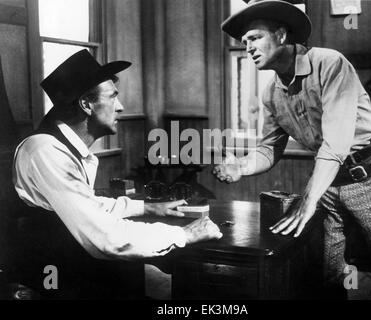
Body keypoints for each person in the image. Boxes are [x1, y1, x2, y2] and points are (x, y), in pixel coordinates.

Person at [214, 0, 371, 299]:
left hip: (370, 174)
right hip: (326, 182)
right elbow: (268, 149)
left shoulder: (330, 63)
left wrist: (309, 200)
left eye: (255, 38)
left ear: (280, 35)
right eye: (244, 42)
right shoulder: (270, 93)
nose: (248, 47)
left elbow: (336, 143)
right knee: (326, 276)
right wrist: (242, 166)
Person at [12, 49, 222, 299]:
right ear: (86, 104)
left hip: (68, 270)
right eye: (113, 97)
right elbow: (108, 238)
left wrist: (146, 208)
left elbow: (84, 205)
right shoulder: (45, 150)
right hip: (51, 281)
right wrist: (185, 234)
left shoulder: (57, 147)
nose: (120, 107)